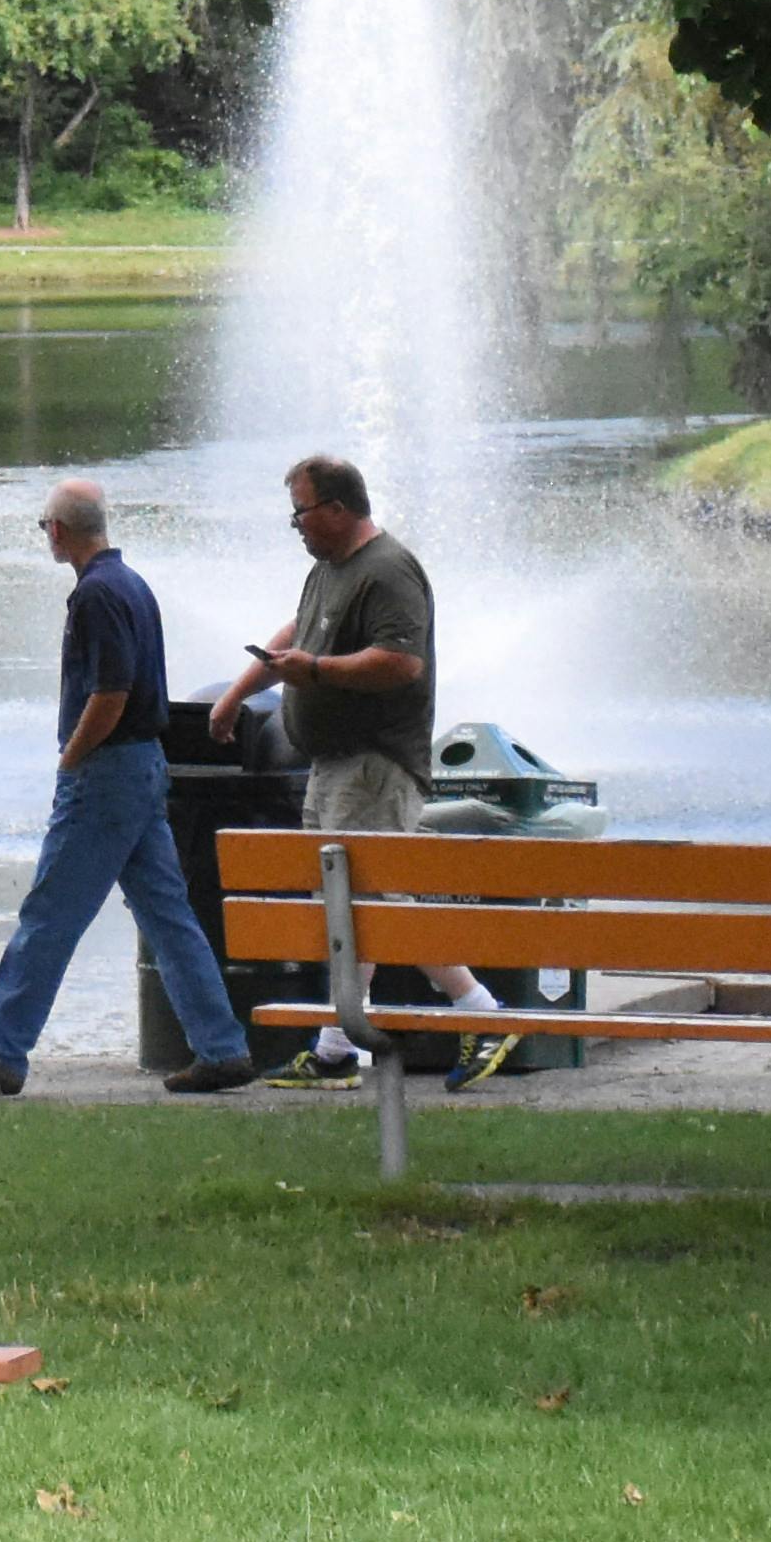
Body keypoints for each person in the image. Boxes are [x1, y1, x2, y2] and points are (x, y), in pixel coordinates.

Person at [0, 480, 259, 1099]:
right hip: (142, 768)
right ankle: (222, 1048)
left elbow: (111, 696)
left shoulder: (97, 596)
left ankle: (1, 1052)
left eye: (44, 527)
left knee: (50, 914)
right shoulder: (131, 584)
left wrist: (72, 760)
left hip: (107, 774)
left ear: (57, 530)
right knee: (167, 914)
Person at [219, 454, 523, 1079]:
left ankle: (482, 1012)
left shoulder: (387, 571)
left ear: (335, 509)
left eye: (300, 512)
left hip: (374, 767)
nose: (295, 525)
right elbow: (295, 633)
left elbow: (400, 662)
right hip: (334, 767)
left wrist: (318, 672)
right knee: (347, 909)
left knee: (379, 905)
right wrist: (236, 694)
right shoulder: (329, 569)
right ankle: (339, 1044)